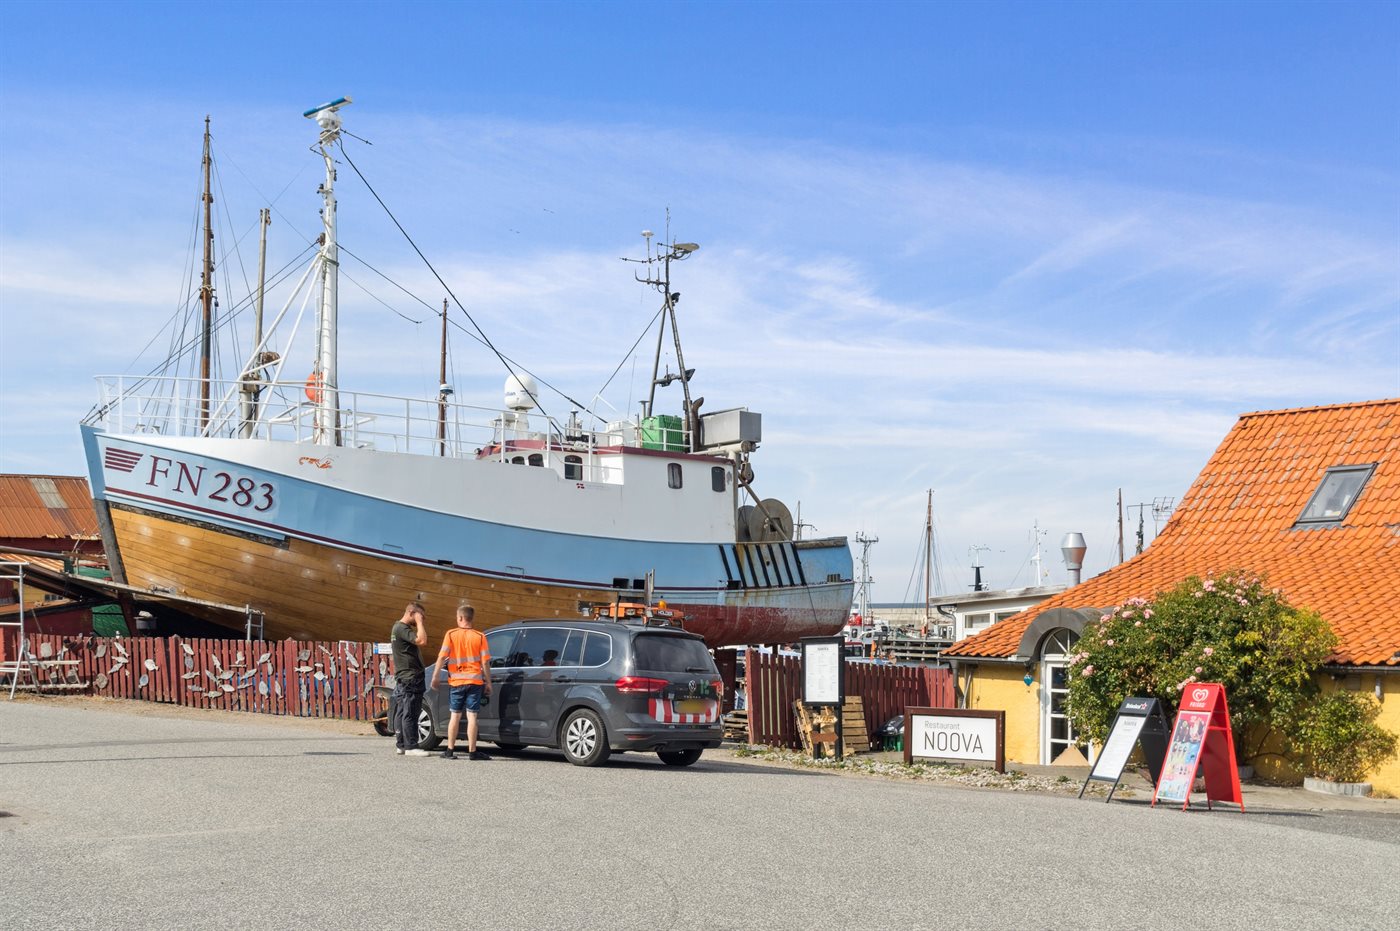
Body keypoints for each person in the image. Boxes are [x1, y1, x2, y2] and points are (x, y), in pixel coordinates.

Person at [427, 604, 493, 760]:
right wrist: (488, 682)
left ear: (461, 618)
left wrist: (435, 676)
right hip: (475, 682)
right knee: (472, 717)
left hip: (456, 682)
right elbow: (485, 663)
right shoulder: (480, 636)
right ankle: (472, 751)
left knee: (454, 716)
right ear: (472, 618)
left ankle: (450, 750)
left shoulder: (451, 634)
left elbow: (442, 657)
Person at [390, 602, 431, 757]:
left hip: (404, 676)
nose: (423, 619)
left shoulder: (397, 628)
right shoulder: (402, 628)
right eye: (421, 615)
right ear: (412, 612)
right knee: (411, 711)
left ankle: (401, 744)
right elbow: (422, 641)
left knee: (402, 711)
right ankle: (410, 746)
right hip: (410, 676)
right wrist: (419, 622)